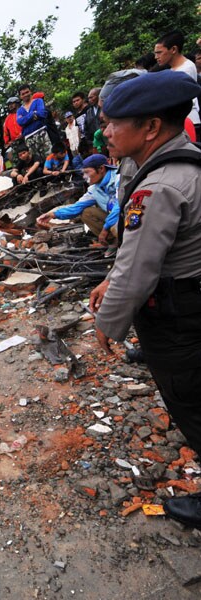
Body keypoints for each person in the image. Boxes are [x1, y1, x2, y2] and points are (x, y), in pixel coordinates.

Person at [88, 70, 201, 525]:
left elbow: (139, 272)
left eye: (116, 122)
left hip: (180, 318)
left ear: (151, 127)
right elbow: (141, 252)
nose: (107, 132)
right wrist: (107, 280)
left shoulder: (157, 187)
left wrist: (106, 324)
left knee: (191, 401)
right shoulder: (186, 162)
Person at [37, 154, 119, 243]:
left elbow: (119, 205)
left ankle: (123, 240)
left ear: (101, 169)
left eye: (87, 172)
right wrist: (52, 215)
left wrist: (105, 229)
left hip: (128, 214)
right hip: (114, 219)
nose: (84, 176)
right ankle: (114, 241)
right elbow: (76, 207)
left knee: (117, 223)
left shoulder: (119, 178)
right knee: (86, 212)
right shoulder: (94, 189)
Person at [155, 31, 201, 137]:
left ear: (173, 50)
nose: (156, 57)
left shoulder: (185, 69)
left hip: (188, 122)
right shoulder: (174, 69)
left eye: (159, 52)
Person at [16, 84, 49, 158]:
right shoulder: (20, 110)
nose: (25, 95)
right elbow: (20, 122)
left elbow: (42, 113)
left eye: (27, 92)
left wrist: (26, 119)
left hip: (42, 133)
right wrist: (33, 113)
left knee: (49, 158)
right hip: (29, 138)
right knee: (36, 162)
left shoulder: (38, 101)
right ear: (20, 96)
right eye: (23, 94)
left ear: (30, 92)